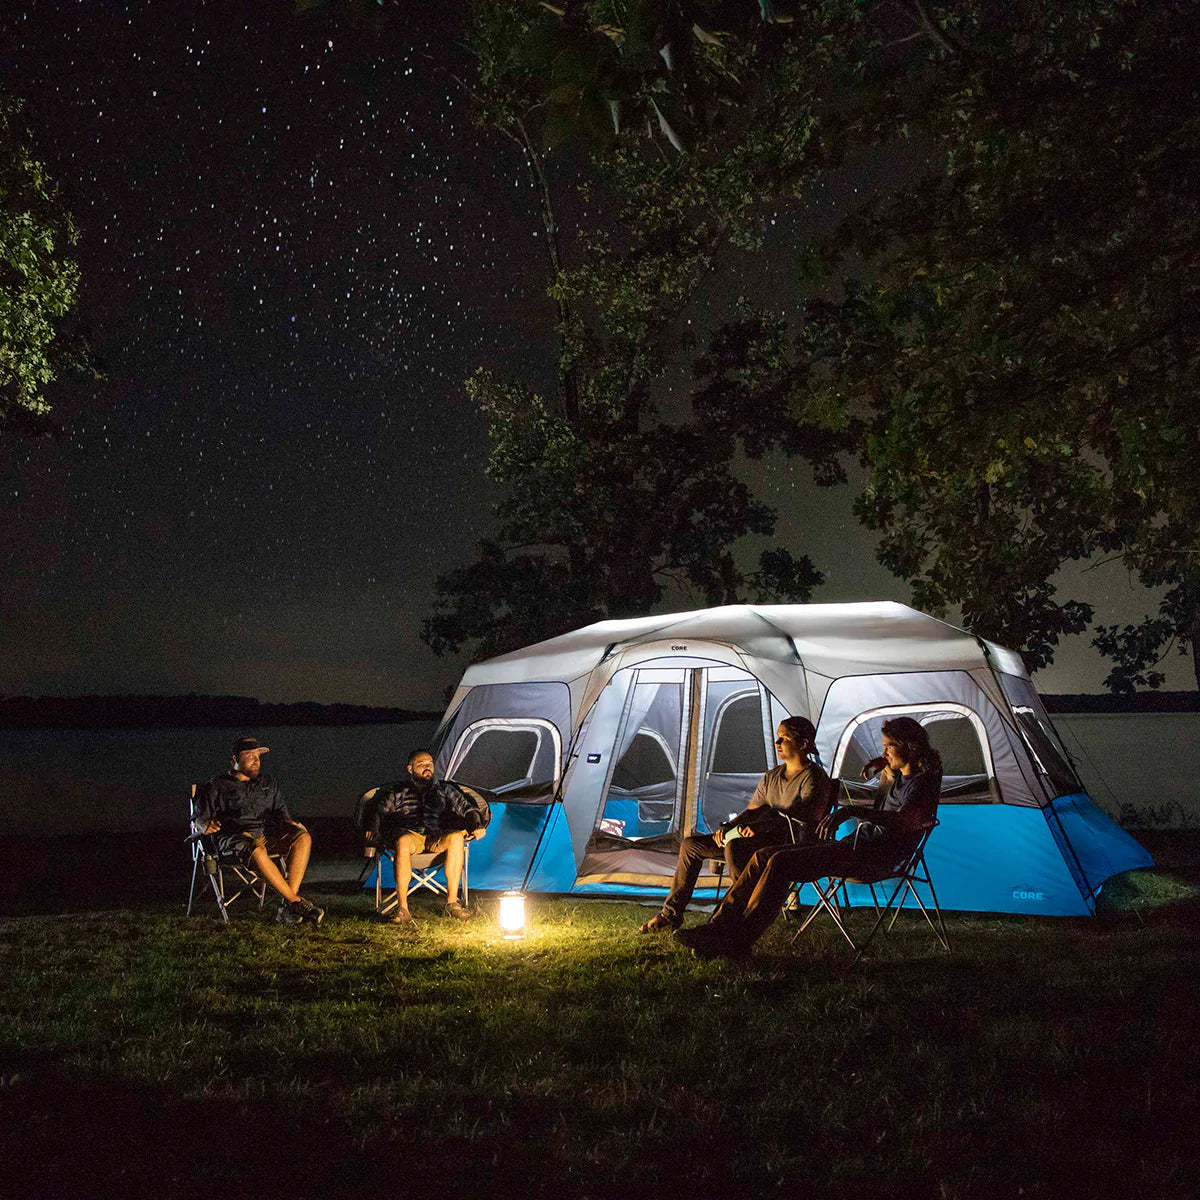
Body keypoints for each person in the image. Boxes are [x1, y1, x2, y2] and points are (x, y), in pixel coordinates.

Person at [676, 715, 942, 959]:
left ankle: (738, 941)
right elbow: (893, 779)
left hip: (874, 856)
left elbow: (906, 820)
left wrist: (850, 810)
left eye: (888, 746)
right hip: (855, 847)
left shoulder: (923, 783)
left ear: (909, 746)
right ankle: (717, 930)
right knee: (763, 855)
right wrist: (885, 763)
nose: (883, 751)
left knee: (780, 861)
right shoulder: (901, 776)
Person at [638, 716, 832, 933]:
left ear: (803, 744)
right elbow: (752, 811)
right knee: (691, 845)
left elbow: (803, 818)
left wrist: (761, 827)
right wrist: (728, 827)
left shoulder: (813, 778)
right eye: (777, 738)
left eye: (784, 738)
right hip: (754, 839)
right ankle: (670, 915)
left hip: (786, 846)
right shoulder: (772, 777)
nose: (777, 744)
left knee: (736, 846)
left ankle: (740, 916)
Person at [193, 736, 324, 925]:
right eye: (250, 755)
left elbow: (282, 816)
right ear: (235, 759)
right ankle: (295, 902)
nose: (256, 760)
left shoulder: (268, 783)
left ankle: (289, 905)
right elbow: (198, 819)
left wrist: (292, 825)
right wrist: (204, 825)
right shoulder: (217, 785)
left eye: (258, 756)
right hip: (233, 840)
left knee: (303, 838)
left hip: (263, 836)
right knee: (254, 847)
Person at [369, 748, 489, 925]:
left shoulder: (445, 789)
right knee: (402, 841)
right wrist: (373, 829)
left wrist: (476, 825)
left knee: (456, 837)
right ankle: (403, 908)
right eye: (421, 764)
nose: (427, 767)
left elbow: (468, 809)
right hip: (411, 837)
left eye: (430, 764)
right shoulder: (398, 791)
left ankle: (452, 903)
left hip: (436, 837)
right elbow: (378, 811)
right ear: (410, 769)